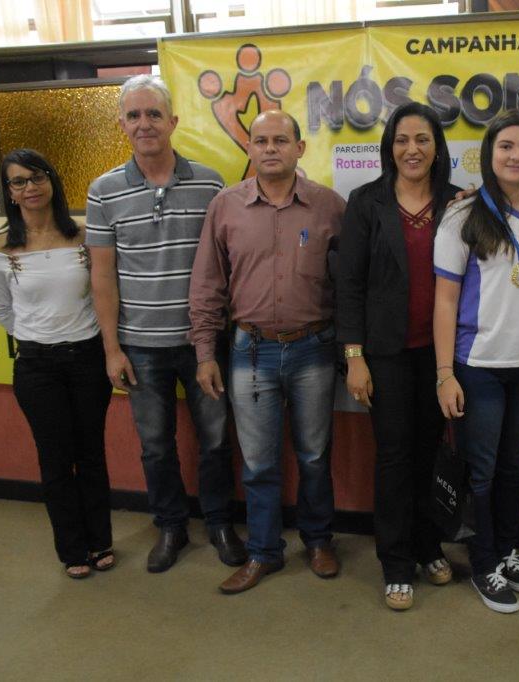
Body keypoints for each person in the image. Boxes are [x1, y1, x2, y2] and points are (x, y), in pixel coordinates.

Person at [87, 75, 246, 574]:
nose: (144, 124)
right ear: (122, 126)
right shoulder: (104, 190)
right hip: (140, 348)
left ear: (173, 122)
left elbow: (227, 264)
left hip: (203, 344)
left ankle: (219, 522)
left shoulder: (211, 183)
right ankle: (171, 526)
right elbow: (102, 276)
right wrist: (111, 348)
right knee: (156, 446)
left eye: (153, 114)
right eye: (133, 115)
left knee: (217, 439)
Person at [189, 110, 345, 595]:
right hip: (248, 352)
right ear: (250, 149)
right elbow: (207, 284)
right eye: (261, 140)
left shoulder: (330, 207)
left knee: (315, 455)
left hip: (313, 350)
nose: (270, 148)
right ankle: (263, 552)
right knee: (257, 461)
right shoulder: (225, 206)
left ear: (301, 148)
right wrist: (203, 353)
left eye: (281, 139)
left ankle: (318, 541)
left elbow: (350, 286)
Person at [336, 102, 462, 610]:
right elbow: (348, 284)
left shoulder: (457, 203)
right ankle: (394, 561)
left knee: (431, 454)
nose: (413, 149)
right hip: (385, 355)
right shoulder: (366, 202)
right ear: (390, 147)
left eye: (423, 139)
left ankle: (428, 544)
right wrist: (354, 356)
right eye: (403, 139)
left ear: (437, 148)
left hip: (440, 356)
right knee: (393, 457)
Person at [433, 109, 519, 614]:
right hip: (477, 364)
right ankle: (483, 563)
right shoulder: (461, 216)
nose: (516, 156)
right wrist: (445, 374)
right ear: (489, 155)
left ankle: (506, 550)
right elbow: (444, 301)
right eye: (506, 147)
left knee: (512, 467)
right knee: (481, 472)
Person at [0, 149, 114, 579]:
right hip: (38, 366)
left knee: (91, 453)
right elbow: (0, 309)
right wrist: (41, 335)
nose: (30, 187)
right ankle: (72, 550)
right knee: (56, 460)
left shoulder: (82, 235)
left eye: (37, 177)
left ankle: (100, 541)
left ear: (52, 182)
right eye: (19, 181)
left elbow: (102, 293)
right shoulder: (0, 246)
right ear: (9, 192)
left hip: (88, 359)